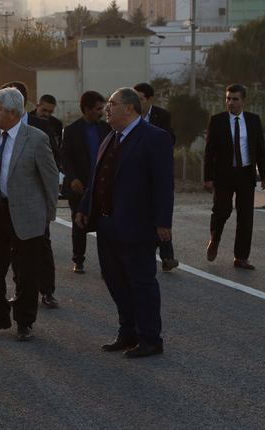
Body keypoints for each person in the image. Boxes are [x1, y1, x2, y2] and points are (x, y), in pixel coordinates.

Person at [75, 87, 174, 358]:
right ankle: (127, 331)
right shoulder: (111, 137)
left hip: (137, 226)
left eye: (112, 103)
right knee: (116, 281)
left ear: (129, 108)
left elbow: (164, 184)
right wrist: (85, 207)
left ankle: (151, 339)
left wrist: (163, 222)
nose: (107, 108)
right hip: (107, 224)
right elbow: (98, 177)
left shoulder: (154, 138)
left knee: (142, 283)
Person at [0, 87, 57, 342]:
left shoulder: (36, 138)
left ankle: (24, 322)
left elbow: (50, 178)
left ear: (13, 112)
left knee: (26, 272)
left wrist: (49, 215)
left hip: (25, 214)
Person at [0, 81, 58, 308]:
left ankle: (47, 290)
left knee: (41, 248)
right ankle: (21, 291)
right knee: (15, 252)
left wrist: (48, 207)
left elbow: (53, 163)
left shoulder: (40, 126)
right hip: (5, 204)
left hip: (34, 205)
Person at [203, 84, 265, 270]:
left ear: (244, 101)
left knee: (245, 216)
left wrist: (264, 175)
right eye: (228, 99)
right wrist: (207, 178)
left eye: (235, 99)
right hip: (224, 174)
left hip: (246, 174)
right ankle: (215, 239)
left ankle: (241, 257)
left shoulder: (253, 120)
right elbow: (209, 152)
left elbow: (259, 149)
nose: (230, 103)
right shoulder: (217, 121)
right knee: (222, 211)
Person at [60, 91, 110, 274]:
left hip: (101, 186)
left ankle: (107, 265)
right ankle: (78, 260)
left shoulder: (106, 129)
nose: (102, 112)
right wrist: (72, 178)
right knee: (79, 223)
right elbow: (65, 157)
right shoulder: (72, 130)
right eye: (98, 109)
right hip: (79, 187)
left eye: (102, 108)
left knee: (104, 226)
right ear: (86, 109)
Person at [134, 82, 179, 272]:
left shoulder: (162, 116)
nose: (136, 102)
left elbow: (170, 139)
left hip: (157, 172)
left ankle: (167, 256)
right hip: (137, 173)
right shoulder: (131, 115)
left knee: (161, 213)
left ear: (150, 100)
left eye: (140, 99)